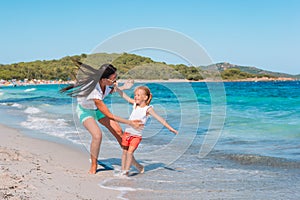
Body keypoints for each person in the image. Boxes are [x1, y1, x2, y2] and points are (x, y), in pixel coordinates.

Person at [60, 60, 144, 174]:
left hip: (97, 110)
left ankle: (131, 161)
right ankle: (94, 165)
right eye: (113, 79)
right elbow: (109, 115)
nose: (115, 81)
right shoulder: (94, 91)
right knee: (97, 135)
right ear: (104, 79)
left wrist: (124, 87)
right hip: (85, 111)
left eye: (116, 78)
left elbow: (112, 90)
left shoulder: (106, 84)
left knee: (120, 132)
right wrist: (130, 123)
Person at [116, 85, 178, 176]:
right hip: (127, 133)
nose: (135, 96)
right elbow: (124, 96)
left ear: (145, 98)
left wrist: (170, 128)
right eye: (135, 95)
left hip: (136, 136)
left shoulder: (148, 109)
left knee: (129, 153)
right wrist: (117, 88)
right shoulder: (135, 105)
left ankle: (126, 172)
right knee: (124, 152)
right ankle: (123, 170)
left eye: (138, 95)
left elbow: (159, 118)